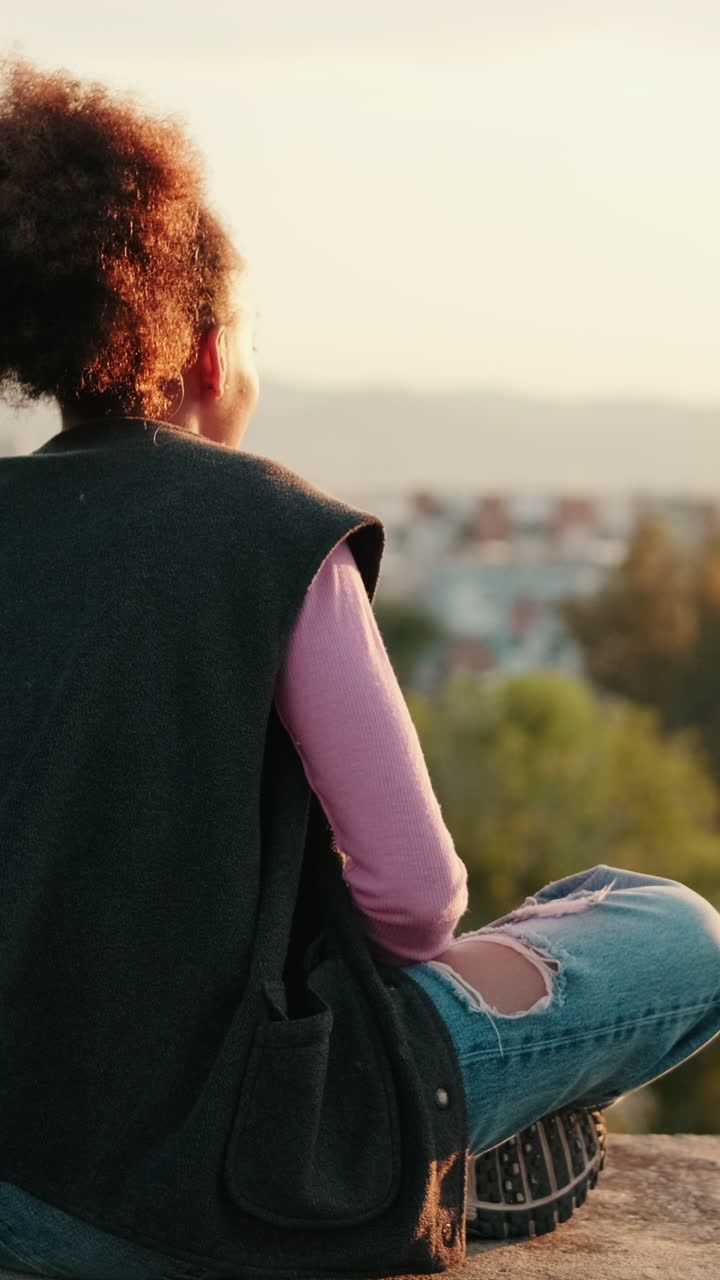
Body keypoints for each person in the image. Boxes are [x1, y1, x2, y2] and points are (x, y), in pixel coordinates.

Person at [0, 54, 718, 1280]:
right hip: (220, 1168)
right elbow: (413, 897)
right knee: (671, 928)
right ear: (210, 352)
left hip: (19, 1167)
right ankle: (411, 1163)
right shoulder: (267, 526)